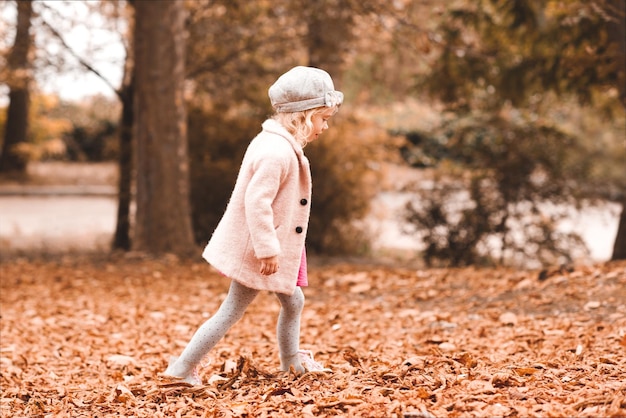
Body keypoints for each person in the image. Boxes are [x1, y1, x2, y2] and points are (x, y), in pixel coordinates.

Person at [162, 66, 343, 385]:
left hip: (273, 245)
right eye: (323, 118)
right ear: (303, 115)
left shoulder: (279, 144)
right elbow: (256, 201)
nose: (325, 126)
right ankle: (181, 368)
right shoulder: (276, 152)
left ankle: (291, 363)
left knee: (293, 301)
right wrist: (268, 249)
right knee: (231, 309)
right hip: (262, 250)